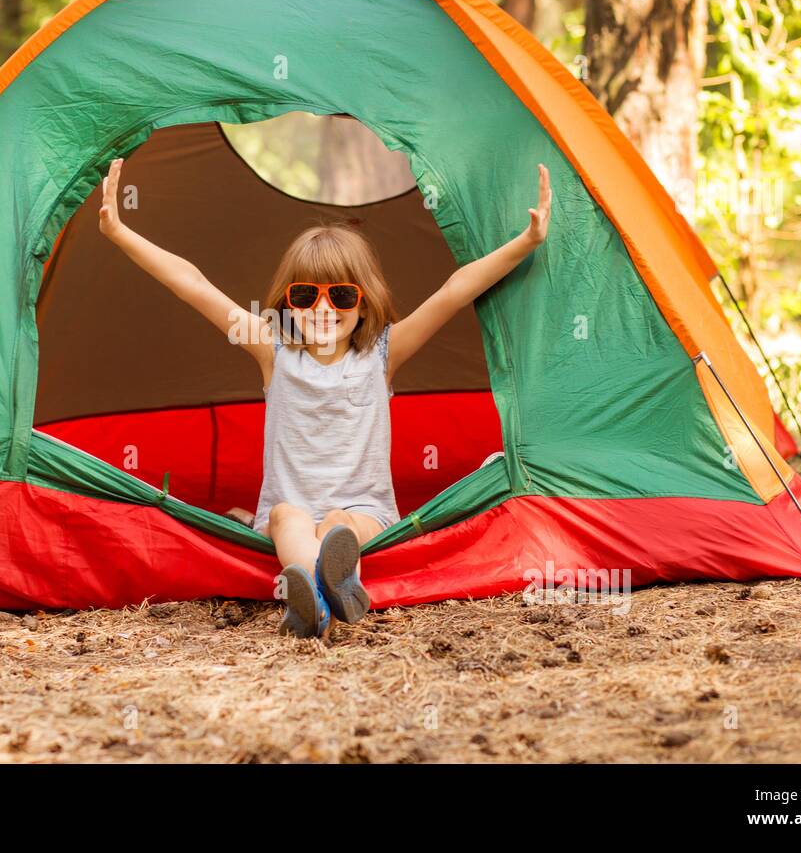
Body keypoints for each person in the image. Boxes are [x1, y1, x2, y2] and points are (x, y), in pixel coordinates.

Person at [98, 157, 551, 637]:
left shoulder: (383, 353)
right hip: (289, 508)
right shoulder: (272, 350)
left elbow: (454, 291)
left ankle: (324, 585)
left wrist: (527, 241)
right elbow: (194, 285)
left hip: (367, 515)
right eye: (304, 296)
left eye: (340, 296)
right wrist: (119, 232)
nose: (321, 309)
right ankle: (321, 592)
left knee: (340, 522)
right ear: (287, 303)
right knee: (286, 515)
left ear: (364, 299)